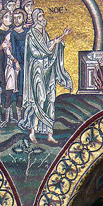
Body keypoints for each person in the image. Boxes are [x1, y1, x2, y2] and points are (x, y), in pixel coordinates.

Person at [18, 8, 70, 143]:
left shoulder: (44, 33)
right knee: (40, 99)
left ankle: (49, 134)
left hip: (47, 69)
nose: (43, 18)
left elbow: (47, 46)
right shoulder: (31, 35)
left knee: (50, 99)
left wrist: (60, 38)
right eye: (40, 16)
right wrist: (52, 46)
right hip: (37, 69)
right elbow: (37, 53)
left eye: (43, 15)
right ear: (36, 18)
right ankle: (32, 132)